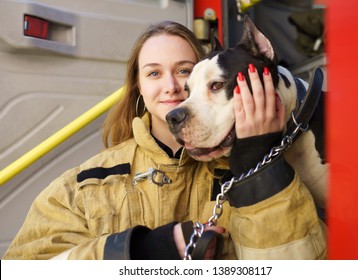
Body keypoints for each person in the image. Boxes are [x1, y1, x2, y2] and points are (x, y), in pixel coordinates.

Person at [2, 20, 326, 260]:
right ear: (138, 87)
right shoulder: (81, 186)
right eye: (154, 73)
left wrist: (257, 163)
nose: (172, 86)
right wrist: (140, 253)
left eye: (184, 70)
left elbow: (299, 261)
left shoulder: (278, 162)